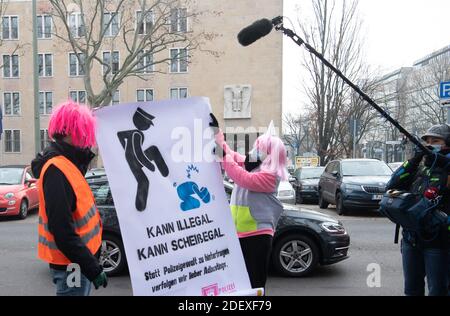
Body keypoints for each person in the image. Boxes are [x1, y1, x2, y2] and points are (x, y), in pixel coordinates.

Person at [31, 100, 108, 296]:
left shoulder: (68, 163)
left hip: (77, 261)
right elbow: (62, 230)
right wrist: (93, 268)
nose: (86, 138)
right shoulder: (57, 170)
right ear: (68, 132)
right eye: (82, 131)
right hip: (72, 265)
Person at [210, 114, 288, 291]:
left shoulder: (270, 175)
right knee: (239, 285)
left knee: (254, 285)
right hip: (240, 233)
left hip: (257, 235)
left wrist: (224, 156)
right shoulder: (255, 164)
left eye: (259, 148)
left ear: (270, 154)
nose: (255, 150)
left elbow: (242, 177)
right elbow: (232, 156)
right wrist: (216, 133)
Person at [386, 124, 450, 296]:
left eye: (435, 141)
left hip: (440, 242)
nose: (429, 145)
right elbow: (392, 185)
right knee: (412, 290)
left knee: (438, 290)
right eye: (426, 142)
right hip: (411, 240)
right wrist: (414, 160)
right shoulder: (420, 167)